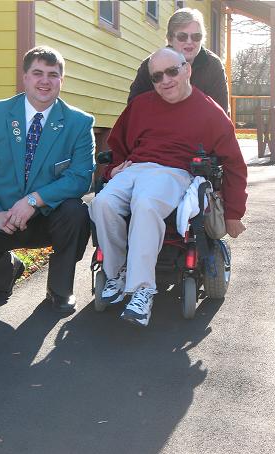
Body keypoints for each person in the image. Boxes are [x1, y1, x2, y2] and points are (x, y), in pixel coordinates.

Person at [89, 48, 247, 327]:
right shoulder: (140, 106)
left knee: (146, 203)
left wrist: (234, 212)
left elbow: (234, 163)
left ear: (187, 70)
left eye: (172, 71)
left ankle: (143, 290)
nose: (165, 80)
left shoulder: (210, 111)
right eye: (157, 76)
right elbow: (117, 145)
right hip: (136, 167)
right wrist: (112, 169)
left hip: (175, 172)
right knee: (101, 203)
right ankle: (116, 273)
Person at [0, 46, 95, 315]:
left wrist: (33, 201)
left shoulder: (79, 123)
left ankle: (60, 290)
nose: (45, 81)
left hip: (45, 217)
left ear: (62, 80)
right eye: (37, 72)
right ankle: (5, 276)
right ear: (25, 77)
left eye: (53, 74)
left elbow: (81, 178)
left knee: (77, 212)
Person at [128, 7, 229, 113]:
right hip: (159, 126)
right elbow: (134, 109)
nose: (189, 42)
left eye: (196, 36)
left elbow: (221, 113)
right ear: (170, 39)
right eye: (182, 36)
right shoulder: (150, 66)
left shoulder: (213, 66)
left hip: (202, 127)